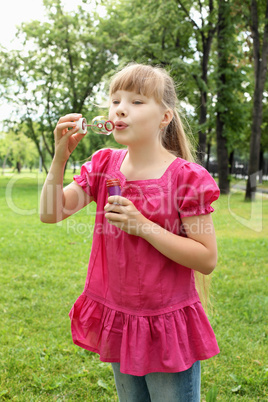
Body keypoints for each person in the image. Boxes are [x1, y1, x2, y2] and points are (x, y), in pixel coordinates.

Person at [40, 63, 220, 402]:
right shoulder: (103, 164)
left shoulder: (186, 178)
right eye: (115, 100)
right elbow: (51, 213)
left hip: (166, 326)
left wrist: (144, 227)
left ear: (165, 117)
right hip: (122, 321)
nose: (120, 108)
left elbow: (206, 259)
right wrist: (59, 158)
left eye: (137, 102)